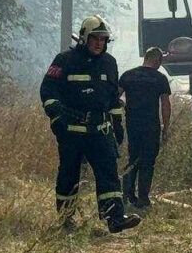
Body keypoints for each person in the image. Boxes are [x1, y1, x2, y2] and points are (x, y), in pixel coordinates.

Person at [39, 16, 141, 233]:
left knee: (108, 173)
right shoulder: (64, 60)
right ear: (84, 38)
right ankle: (66, 219)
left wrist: (117, 124)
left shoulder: (109, 63)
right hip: (72, 131)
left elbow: (113, 98)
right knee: (69, 174)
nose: (99, 44)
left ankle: (115, 218)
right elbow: (48, 91)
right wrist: (57, 118)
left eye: (103, 40)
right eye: (95, 39)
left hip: (100, 130)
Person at [119, 47, 172, 209]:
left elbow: (114, 96)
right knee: (148, 161)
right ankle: (143, 198)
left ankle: (127, 194)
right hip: (151, 126)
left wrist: (122, 104)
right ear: (157, 60)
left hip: (132, 125)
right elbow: (165, 104)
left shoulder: (128, 75)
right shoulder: (160, 78)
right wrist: (166, 127)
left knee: (133, 157)